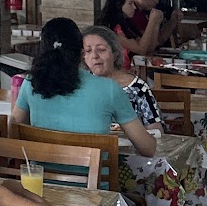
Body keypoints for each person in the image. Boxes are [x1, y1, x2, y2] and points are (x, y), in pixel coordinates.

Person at [10, 17, 155, 155]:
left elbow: (13, 132)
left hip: (39, 172)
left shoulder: (31, 83)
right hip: (92, 173)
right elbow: (147, 149)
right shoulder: (109, 89)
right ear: (81, 54)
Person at [81, 22, 162, 130]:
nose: (94, 56)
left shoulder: (138, 88)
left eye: (101, 50)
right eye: (88, 51)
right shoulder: (81, 85)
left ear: (115, 54)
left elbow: (156, 128)